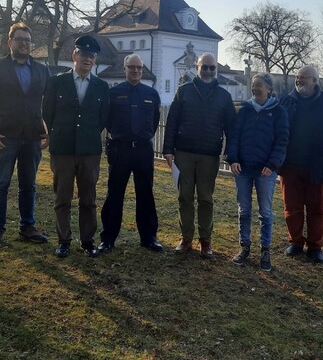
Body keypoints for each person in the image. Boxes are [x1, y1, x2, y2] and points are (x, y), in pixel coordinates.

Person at [0, 22, 50, 248]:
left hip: (32, 137)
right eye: (20, 40)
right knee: (0, 184)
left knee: (29, 184)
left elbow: (49, 104)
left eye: (28, 41)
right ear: (10, 42)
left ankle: (27, 227)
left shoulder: (41, 69)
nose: (24, 44)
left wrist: (50, 132)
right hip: (4, 136)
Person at [163, 52, 236, 258]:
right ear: (197, 68)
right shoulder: (183, 91)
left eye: (212, 68)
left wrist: (230, 152)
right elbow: (172, 122)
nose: (209, 71)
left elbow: (232, 127)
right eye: (205, 67)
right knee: (184, 197)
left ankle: (206, 241)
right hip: (184, 153)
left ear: (216, 70)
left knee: (205, 198)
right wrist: (168, 149)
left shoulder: (224, 96)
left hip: (209, 156)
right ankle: (186, 238)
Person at [43, 35, 110, 258]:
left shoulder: (102, 87)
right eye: (83, 55)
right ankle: (63, 240)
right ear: (74, 55)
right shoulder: (56, 82)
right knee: (62, 198)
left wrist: (86, 134)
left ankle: (87, 241)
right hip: (62, 149)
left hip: (89, 151)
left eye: (91, 56)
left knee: (88, 199)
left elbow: (103, 118)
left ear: (95, 60)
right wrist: (58, 134)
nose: (87, 59)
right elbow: (47, 112)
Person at [279, 65, 323, 263]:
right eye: (297, 77)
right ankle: (295, 242)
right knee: (291, 207)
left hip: (317, 166)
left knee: (317, 208)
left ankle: (315, 246)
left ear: (315, 81)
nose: (299, 81)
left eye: (304, 78)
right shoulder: (286, 101)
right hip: (290, 165)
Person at [98, 54, 163, 253]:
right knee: (115, 194)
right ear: (124, 69)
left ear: (142, 70)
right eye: (131, 67)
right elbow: (107, 120)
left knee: (145, 194)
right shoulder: (114, 93)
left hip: (143, 150)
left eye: (139, 68)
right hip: (121, 149)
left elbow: (154, 122)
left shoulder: (151, 94)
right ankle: (108, 238)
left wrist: (141, 137)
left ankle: (148, 237)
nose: (135, 71)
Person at [226, 73, 288, 272]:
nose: (255, 88)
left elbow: (282, 141)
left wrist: (272, 164)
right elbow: (234, 135)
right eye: (253, 85)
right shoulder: (245, 110)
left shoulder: (278, 112)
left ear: (269, 89)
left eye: (259, 85)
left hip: (265, 171)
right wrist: (233, 158)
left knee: (265, 212)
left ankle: (265, 250)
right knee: (244, 210)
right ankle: (244, 247)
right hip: (243, 168)